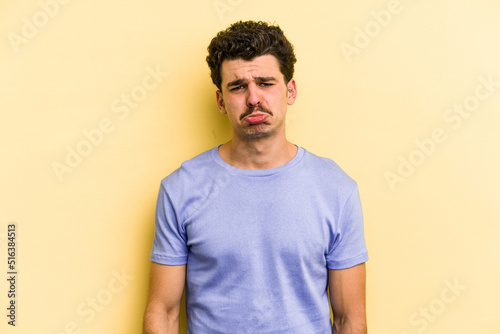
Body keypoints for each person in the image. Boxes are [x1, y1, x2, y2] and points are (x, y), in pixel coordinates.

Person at [143, 20, 368, 334]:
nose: (253, 99)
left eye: (265, 83)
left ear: (290, 91)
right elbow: (163, 312)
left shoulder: (336, 189)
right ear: (221, 100)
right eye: (238, 87)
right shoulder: (181, 188)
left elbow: (349, 319)